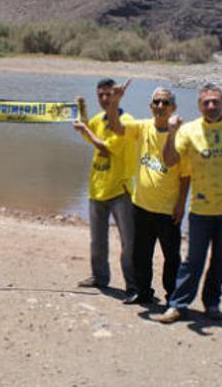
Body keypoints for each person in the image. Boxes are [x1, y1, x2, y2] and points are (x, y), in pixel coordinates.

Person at [152, 83, 222, 323]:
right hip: (201, 209)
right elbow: (170, 160)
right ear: (199, 106)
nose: (211, 106)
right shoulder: (189, 130)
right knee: (193, 261)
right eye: (206, 102)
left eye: (215, 101)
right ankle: (178, 305)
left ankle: (212, 303)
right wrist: (172, 133)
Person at [110, 84, 190, 305]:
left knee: (171, 257)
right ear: (150, 106)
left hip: (167, 208)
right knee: (140, 254)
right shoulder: (142, 127)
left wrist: (181, 204)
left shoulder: (181, 136)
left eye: (165, 102)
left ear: (173, 107)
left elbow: (185, 175)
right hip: (141, 205)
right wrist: (115, 101)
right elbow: (116, 127)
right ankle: (143, 291)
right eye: (156, 102)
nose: (160, 106)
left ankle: (172, 296)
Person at [71, 78, 136, 295]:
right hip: (97, 188)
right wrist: (82, 108)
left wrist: (86, 131)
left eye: (109, 94)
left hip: (120, 191)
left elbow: (105, 147)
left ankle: (133, 285)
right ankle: (99, 277)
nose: (105, 99)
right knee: (97, 240)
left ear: (116, 96)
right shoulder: (99, 119)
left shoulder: (126, 121)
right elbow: (88, 132)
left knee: (128, 243)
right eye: (101, 95)